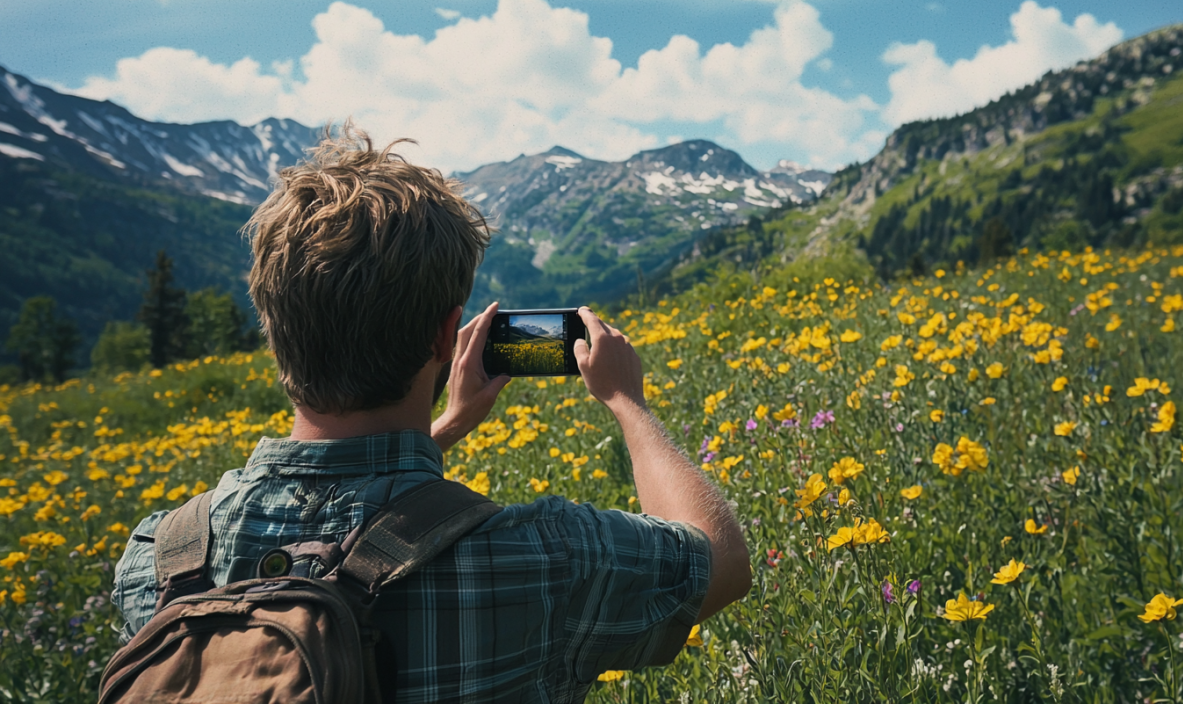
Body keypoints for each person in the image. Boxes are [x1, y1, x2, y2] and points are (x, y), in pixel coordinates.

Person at [110, 124, 752, 703]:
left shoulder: (158, 561)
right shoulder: (542, 557)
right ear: (448, 337)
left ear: (274, 329)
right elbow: (718, 564)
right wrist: (627, 402)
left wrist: (444, 428)